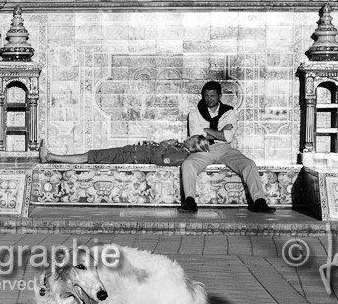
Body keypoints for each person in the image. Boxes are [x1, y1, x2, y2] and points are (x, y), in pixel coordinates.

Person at [182, 81, 272, 213]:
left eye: (212, 96)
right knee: (188, 164)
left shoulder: (228, 112)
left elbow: (228, 137)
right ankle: (189, 201)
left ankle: (259, 201)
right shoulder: (195, 113)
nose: (209, 99)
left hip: (225, 149)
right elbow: (197, 137)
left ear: (219, 95)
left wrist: (207, 130)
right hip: (204, 149)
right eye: (206, 95)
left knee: (249, 164)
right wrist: (220, 132)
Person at [40, 135, 210, 166]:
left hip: (131, 157)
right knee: (92, 155)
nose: (188, 138)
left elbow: (158, 160)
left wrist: (164, 144)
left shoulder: (181, 156)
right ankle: (51, 156)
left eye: (192, 139)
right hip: (131, 152)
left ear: (194, 145)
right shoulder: (180, 150)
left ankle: (50, 156)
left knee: (91, 156)